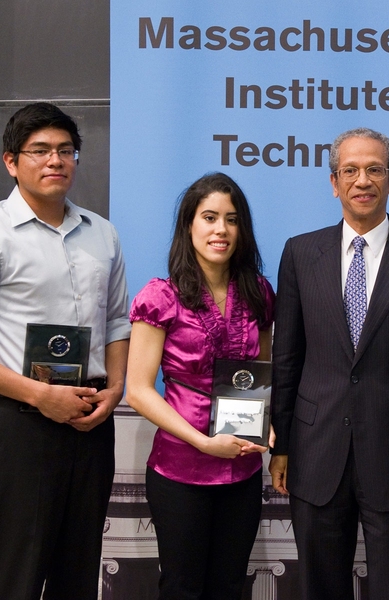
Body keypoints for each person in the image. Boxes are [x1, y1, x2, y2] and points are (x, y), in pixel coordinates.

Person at [0, 102, 130, 599]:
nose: (54, 160)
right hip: (19, 427)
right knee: (8, 580)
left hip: (90, 421)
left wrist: (117, 389)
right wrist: (39, 395)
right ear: (11, 161)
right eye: (39, 151)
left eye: (65, 150)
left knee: (77, 576)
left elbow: (118, 321)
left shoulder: (102, 233)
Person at [269, 127, 389, 600]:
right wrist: (281, 444)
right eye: (351, 171)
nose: (363, 180)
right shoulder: (300, 253)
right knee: (319, 587)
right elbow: (287, 357)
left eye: (375, 169)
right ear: (334, 182)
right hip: (315, 451)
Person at [125, 172, 274, 599]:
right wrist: (203, 442)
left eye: (231, 219)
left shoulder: (259, 292)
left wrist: (268, 426)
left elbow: (262, 373)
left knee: (229, 585)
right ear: (189, 224)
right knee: (183, 587)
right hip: (181, 469)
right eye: (209, 217)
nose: (220, 230)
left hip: (242, 467)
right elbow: (137, 390)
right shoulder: (161, 296)